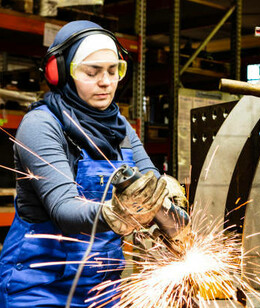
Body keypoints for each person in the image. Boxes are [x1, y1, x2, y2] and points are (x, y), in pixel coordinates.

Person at [0, 20, 186, 307]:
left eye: (114, 71)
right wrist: (115, 213)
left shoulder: (119, 127)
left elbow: (151, 182)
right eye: (92, 72)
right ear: (60, 72)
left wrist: (167, 204)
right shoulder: (41, 125)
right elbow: (64, 209)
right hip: (40, 288)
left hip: (103, 289)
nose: (106, 82)